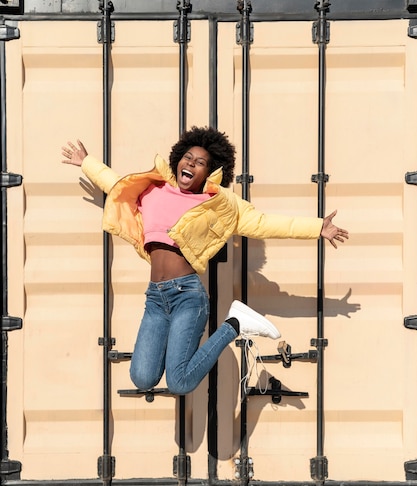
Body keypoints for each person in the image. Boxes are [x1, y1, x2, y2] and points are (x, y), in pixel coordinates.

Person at [61, 126, 348, 395]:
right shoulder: (152, 190)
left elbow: (262, 223)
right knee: (143, 378)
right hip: (155, 298)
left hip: (188, 296)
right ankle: (232, 324)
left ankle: (234, 324)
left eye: (200, 162)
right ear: (177, 161)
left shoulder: (216, 203)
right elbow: (116, 184)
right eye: (188, 157)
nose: (191, 164)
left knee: (180, 383)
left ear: (210, 173)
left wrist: (317, 227)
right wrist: (86, 162)